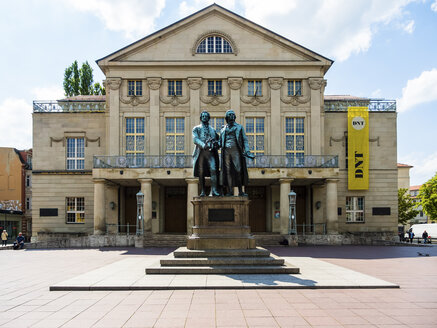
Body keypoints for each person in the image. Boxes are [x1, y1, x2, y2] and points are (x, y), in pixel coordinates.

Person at [219, 109, 254, 196]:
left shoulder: (239, 127)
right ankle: (230, 191)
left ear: (234, 117)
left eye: (232, 115)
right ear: (227, 117)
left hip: (236, 151)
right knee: (228, 172)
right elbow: (220, 142)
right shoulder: (223, 129)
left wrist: (247, 151)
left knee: (238, 170)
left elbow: (245, 140)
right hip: (226, 151)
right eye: (229, 115)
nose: (231, 116)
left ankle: (240, 191)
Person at [193, 110, 221, 196]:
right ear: (201, 118)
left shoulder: (212, 130)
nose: (204, 117)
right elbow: (195, 139)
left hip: (211, 153)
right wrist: (203, 145)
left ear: (208, 118)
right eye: (203, 116)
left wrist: (217, 144)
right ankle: (202, 191)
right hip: (201, 153)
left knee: (213, 169)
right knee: (201, 172)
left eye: (206, 116)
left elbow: (218, 140)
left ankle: (214, 191)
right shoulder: (196, 128)